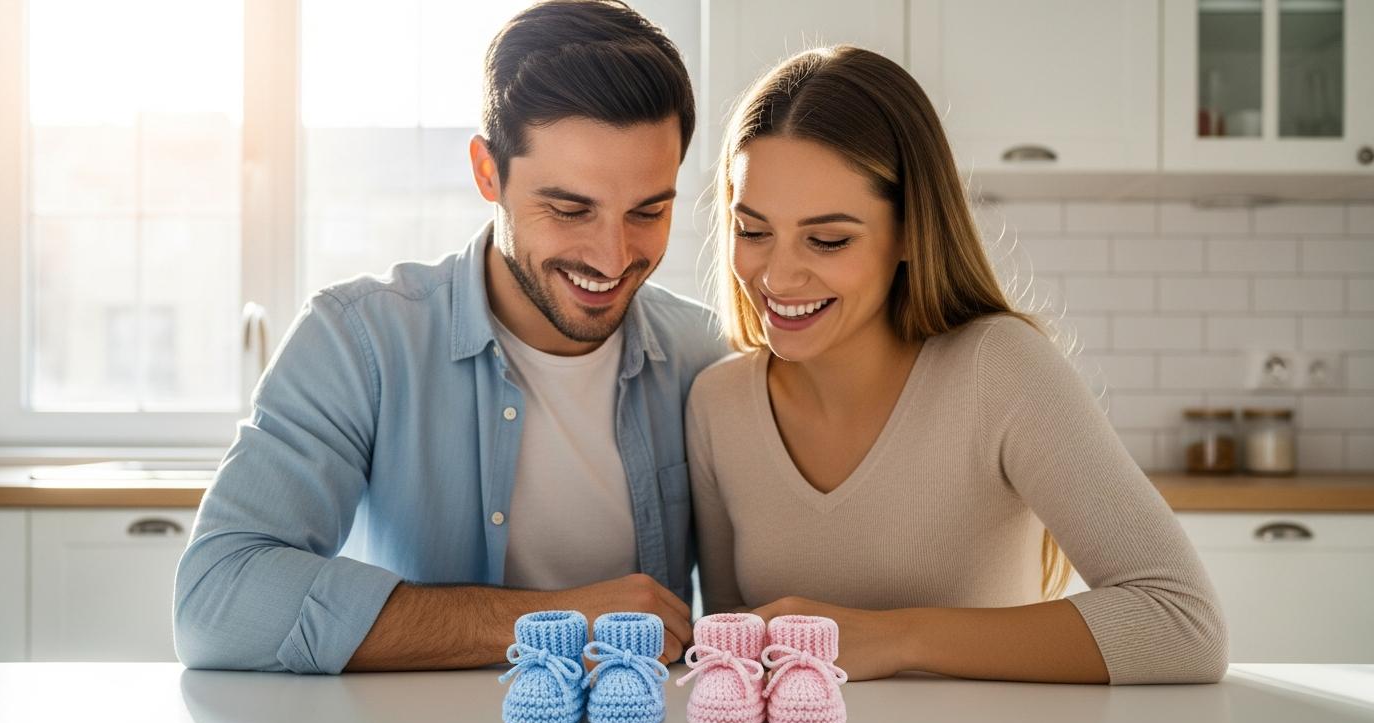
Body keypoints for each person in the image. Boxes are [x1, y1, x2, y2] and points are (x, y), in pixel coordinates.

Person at [174, 0, 724, 674]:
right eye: (569, 209)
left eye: (649, 211)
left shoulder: (708, 356)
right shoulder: (359, 344)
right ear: (487, 172)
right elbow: (217, 602)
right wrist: (553, 623)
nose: (612, 259)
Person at [688, 46, 1228, 685]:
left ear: (914, 231)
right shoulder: (717, 405)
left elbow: (1183, 626)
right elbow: (731, 666)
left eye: (828, 239)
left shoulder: (1000, 371)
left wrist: (895, 639)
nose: (777, 275)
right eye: (753, 231)